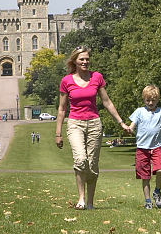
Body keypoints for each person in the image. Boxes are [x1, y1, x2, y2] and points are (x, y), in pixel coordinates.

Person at [55, 46, 129, 209]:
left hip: (94, 123)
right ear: (74, 60)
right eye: (82, 59)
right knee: (80, 159)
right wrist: (58, 133)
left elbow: (107, 102)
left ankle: (90, 202)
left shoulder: (97, 77)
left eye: (87, 59)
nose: (85, 62)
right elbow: (61, 109)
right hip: (75, 123)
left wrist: (121, 122)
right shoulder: (66, 81)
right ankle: (81, 198)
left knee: (92, 164)